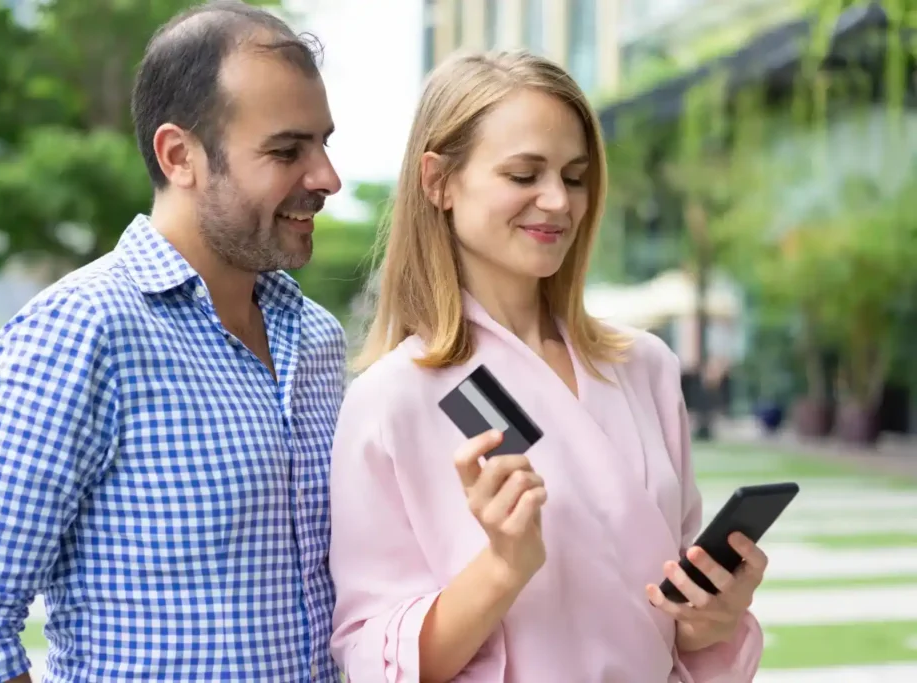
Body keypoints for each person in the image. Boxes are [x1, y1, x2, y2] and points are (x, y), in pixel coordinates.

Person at [0, 2, 345, 681]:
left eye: (323, 143)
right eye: (287, 150)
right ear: (180, 155)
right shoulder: (78, 334)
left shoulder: (317, 340)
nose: (325, 178)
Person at [328, 50, 766, 682]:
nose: (558, 201)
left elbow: (674, 622)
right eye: (524, 174)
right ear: (438, 182)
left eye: (576, 175)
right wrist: (504, 564)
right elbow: (375, 659)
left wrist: (710, 615)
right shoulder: (392, 399)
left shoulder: (645, 367)